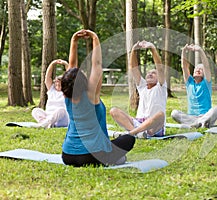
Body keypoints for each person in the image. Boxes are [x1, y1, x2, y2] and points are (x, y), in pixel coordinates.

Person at [60, 29, 135, 167]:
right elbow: (97, 65)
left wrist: (74, 41)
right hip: (91, 155)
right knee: (128, 139)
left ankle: (112, 157)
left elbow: (71, 69)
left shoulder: (66, 96)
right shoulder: (91, 94)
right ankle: (112, 159)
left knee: (115, 149)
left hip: (68, 155)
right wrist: (95, 38)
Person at [110, 40, 167, 138]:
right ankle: (138, 133)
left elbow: (160, 68)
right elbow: (133, 67)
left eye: (153, 73)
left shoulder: (161, 87)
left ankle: (132, 133)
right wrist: (133, 50)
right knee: (113, 110)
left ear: (159, 78)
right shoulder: (142, 86)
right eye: (148, 72)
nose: (150, 74)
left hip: (153, 127)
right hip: (138, 122)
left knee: (161, 115)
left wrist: (152, 48)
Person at [171, 44, 217, 128]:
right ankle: (199, 123)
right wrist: (183, 51)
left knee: (216, 109)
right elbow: (184, 67)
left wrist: (200, 50)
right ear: (193, 72)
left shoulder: (206, 83)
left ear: (204, 73)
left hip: (205, 115)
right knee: (174, 113)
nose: (198, 70)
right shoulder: (189, 83)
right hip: (191, 117)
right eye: (196, 69)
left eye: (201, 69)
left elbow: (206, 65)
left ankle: (201, 122)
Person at [31, 59, 69, 128]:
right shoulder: (52, 90)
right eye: (56, 82)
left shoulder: (66, 91)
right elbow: (47, 77)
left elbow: (70, 77)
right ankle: (47, 123)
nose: (57, 84)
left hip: (62, 118)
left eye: (60, 83)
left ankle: (44, 124)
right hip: (48, 116)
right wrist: (52, 64)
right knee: (35, 110)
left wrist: (66, 64)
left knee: (61, 110)